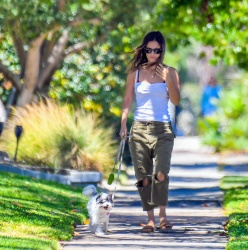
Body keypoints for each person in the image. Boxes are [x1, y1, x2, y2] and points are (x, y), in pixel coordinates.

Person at [119, 31, 180, 233]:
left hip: (162, 128)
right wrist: (123, 124)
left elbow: (176, 100)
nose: (152, 54)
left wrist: (167, 79)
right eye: (149, 49)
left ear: (162, 51)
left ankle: (163, 217)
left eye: (157, 50)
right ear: (144, 49)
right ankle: (151, 219)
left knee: (161, 172)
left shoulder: (170, 71)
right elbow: (127, 100)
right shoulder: (134, 73)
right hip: (139, 129)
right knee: (143, 176)